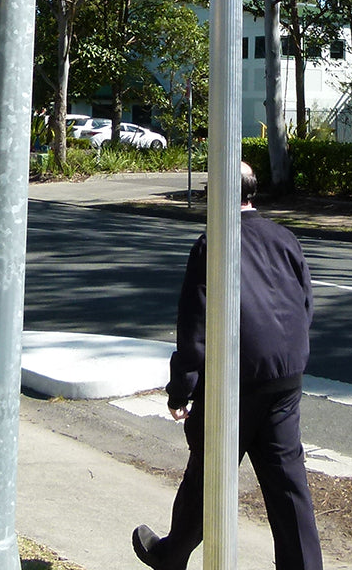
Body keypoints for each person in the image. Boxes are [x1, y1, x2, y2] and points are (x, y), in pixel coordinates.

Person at [132, 161, 322, 570]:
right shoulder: (284, 237)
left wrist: (182, 388)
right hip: (285, 376)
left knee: (208, 472)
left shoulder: (212, 243)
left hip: (236, 380)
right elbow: (305, 302)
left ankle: (170, 554)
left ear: (216, 194)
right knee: (288, 487)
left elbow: (195, 325)